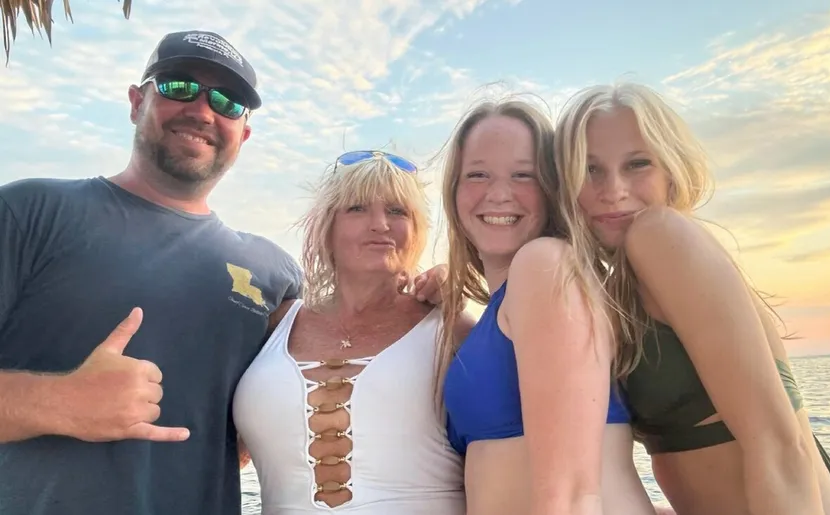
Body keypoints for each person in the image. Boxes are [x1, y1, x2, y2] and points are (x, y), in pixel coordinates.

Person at [0, 29, 307, 515]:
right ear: (136, 101)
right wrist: (58, 400)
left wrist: (428, 293)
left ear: (244, 135)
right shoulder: (27, 212)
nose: (203, 110)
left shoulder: (276, 275)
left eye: (228, 102)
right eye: (179, 86)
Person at [554, 82, 830, 515]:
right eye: (590, 169)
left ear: (672, 170)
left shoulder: (659, 235)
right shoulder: (620, 287)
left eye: (637, 164)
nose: (614, 189)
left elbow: (779, 445)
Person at [434, 99, 659, 515]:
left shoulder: (546, 264)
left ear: (552, 189)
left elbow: (572, 494)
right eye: (478, 174)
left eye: (523, 175)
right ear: (454, 191)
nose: (498, 194)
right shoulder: (502, 309)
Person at [233, 150, 475, 514]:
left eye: (397, 211)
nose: (380, 224)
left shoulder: (451, 329)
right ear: (326, 227)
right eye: (357, 208)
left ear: (417, 230)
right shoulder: (274, 325)